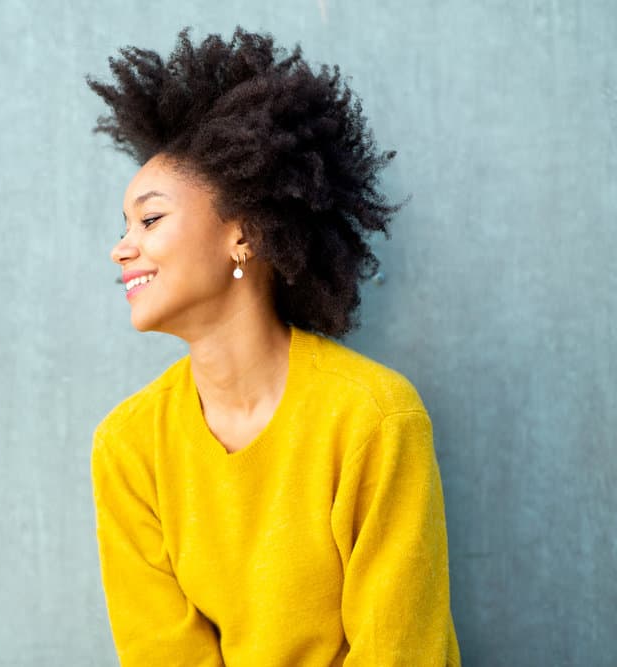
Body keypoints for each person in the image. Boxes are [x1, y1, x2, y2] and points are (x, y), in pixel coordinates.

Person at [86, 27, 460, 666]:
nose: (123, 247)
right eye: (124, 226)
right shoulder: (128, 447)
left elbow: (401, 653)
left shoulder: (373, 418)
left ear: (246, 233)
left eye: (149, 219)